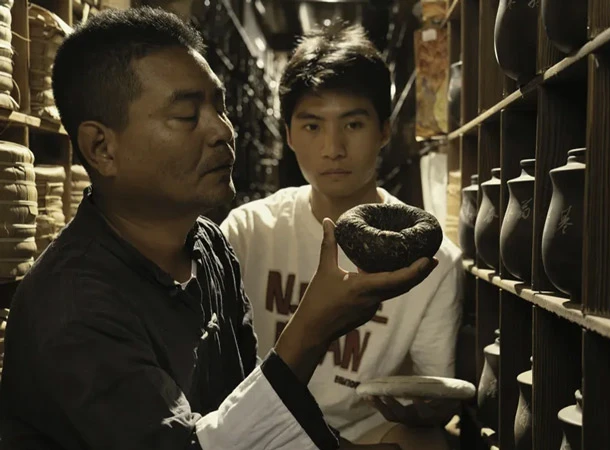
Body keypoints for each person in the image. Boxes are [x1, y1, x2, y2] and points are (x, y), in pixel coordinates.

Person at [0, 8, 436, 450]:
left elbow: (245, 415)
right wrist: (311, 330)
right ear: (101, 147)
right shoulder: (73, 309)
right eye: (188, 115)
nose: (222, 130)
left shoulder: (208, 246)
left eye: (220, 106)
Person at [220, 23, 463, 448]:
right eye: (313, 126)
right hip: (260, 433)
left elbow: (429, 403)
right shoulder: (246, 232)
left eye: (353, 124)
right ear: (290, 135)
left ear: (384, 130)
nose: (333, 148)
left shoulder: (435, 260)